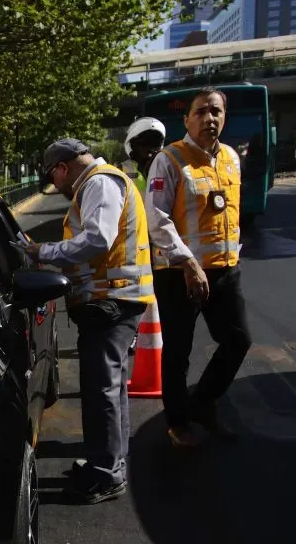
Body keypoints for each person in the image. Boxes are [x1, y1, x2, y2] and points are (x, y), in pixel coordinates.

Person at [23, 138, 155, 504]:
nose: (57, 187)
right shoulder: (102, 182)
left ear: (62, 168)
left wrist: (43, 252)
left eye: (54, 178)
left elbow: (97, 240)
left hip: (112, 301)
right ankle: (108, 463)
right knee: (110, 389)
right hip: (113, 300)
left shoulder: (98, 183)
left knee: (102, 392)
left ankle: (106, 475)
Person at [144, 86, 251, 449]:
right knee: (178, 351)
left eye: (216, 111)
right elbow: (156, 218)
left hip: (223, 268)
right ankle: (178, 422)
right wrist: (187, 261)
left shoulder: (232, 159)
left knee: (238, 340)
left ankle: (203, 404)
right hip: (180, 273)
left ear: (225, 117)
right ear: (187, 119)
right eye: (202, 112)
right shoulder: (170, 160)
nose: (210, 118)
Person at [121, 117, 166, 192]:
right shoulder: (121, 170)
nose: (150, 148)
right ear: (133, 145)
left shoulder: (167, 170)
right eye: (144, 143)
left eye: (155, 143)